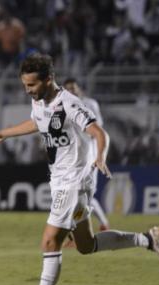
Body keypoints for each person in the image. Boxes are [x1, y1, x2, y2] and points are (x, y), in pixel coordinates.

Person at [0, 53, 159, 285]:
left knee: (50, 240)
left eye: (32, 85)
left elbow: (99, 133)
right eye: (25, 85)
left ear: (49, 79)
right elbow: (37, 122)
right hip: (62, 180)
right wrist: (4, 133)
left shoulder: (69, 104)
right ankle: (148, 239)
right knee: (86, 245)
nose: (28, 90)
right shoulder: (39, 101)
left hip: (74, 181)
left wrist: (100, 156)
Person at [63, 78, 111, 230]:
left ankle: (83, 228)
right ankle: (97, 225)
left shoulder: (90, 104)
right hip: (73, 155)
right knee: (75, 195)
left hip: (91, 152)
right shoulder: (64, 106)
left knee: (85, 194)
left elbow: (98, 129)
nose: (71, 91)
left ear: (79, 89)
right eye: (68, 88)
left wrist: (99, 156)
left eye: (73, 88)